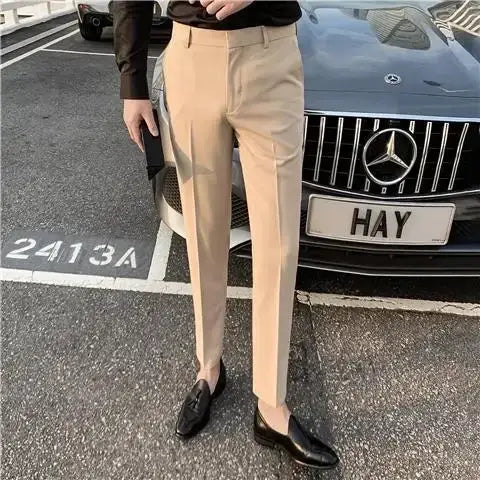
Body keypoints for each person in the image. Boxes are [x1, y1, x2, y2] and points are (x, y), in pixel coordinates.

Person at [112, 0, 339, 470]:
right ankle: (209, 369)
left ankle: (272, 405)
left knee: (278, 244)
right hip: (193, 55)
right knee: (204, 231)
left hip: (271, 58)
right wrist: (131, 81)